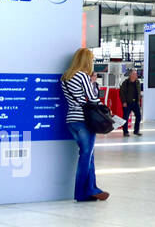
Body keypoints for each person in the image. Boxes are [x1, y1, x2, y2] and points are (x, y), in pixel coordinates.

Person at [61, 47, 109, 202]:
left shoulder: (65, 77)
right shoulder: (82, 76)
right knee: (86, 156)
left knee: (89, 155)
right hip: (84, 120)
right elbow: (92, 98)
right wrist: (93, 84)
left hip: (71, 120)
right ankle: (82, 193)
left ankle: (91, 190)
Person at [119, 67, 143, 137]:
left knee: (138, 116)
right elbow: (122, 93)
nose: (135, 75)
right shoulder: (125, 83)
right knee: (125, 118)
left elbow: (138, 92)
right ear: (130, 75)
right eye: (134, 74)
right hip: (127, 103)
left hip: (135, 103)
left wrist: (138, 101)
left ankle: (136, 131)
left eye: (136, 74)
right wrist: (124, 102)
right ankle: (125, 132)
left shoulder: (138, 82)